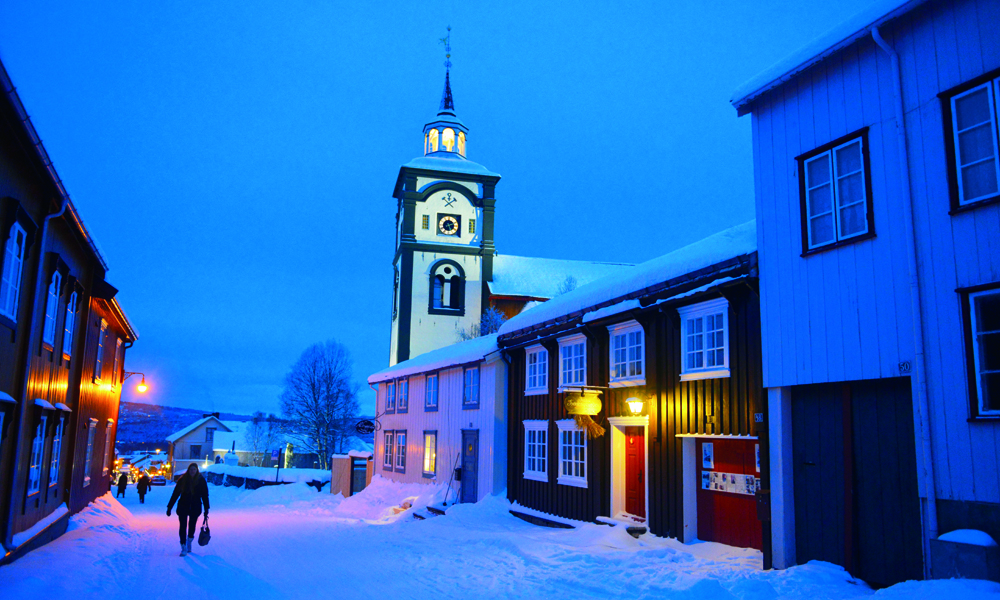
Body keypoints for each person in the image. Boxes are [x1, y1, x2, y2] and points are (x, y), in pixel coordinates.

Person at [166, 464, 209, 557]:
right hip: (183, 506)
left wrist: (206, 509)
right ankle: (183, 546)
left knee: (192, 526)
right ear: (188, 470)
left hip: (195, 507)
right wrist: (169, 507)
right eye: (191, 469)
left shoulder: (201, 481)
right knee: (182, 526)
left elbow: (205, 495)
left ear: (197, 470)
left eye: (194, 469)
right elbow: (175, 494)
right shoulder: (182, 480)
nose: (192, 471)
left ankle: (189, 540)